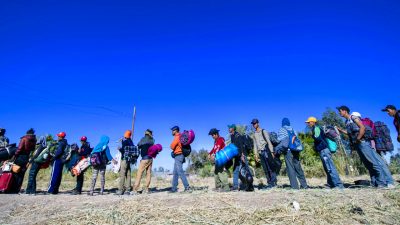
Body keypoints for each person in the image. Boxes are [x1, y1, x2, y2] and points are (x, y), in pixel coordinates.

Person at [336, 106, 394, 188]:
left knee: (373, 163)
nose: (339, 113)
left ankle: (382, 182)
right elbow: (350, 133)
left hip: (362, 143)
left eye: (340, 111)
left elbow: (362, 127)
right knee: (368, 164)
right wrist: (341, 130)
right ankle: (375, 183)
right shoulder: (347, 122)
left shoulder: (353, 117)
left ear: (345, 111)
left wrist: (358, 138)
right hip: (357, 144)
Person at [305, 117, 344, 189]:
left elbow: (318, 138)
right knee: (327, 168)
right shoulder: (316, 128)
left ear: (312, 122)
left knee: (330, 167)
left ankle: (338, 185)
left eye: (308, 122)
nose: (308, 124)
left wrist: (313, 136)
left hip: (324, 150)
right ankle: (331, 184)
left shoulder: (316, 128)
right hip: (323, 150)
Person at [277, 118, 308, 189]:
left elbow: (280, 140)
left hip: (288, 151)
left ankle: (295, 186)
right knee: (298, 167)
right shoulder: (293, 129)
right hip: (296, 150)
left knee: (290, 168)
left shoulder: (282, 129)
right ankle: (304, 185)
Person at [250, 119, 278, 189]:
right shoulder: (254, 134)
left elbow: (268, 141)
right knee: (265, 168)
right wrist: (255, 155)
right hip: (260, 152)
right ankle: (269, 183)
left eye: (255, 123)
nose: (254, 125)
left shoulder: (263, 131)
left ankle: (273, 182)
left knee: (270, 167)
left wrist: (272, 152)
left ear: (258, 123)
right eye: (253, 124)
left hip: (267, 150)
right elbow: (255, 145)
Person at [9, 128, 37, 193]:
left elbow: (19, 148)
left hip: (20, 156)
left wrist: (15, 155)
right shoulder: (34, 140)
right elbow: (33, 149)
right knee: (22, 173)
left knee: (15, 172)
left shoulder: (24, 139)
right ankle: (18, 189)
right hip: (26, 157)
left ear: (27, 133)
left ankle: (13, 189)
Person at [131, 129, 155, 195]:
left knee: (139, 173)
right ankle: (146, 189)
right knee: (148, 173)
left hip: (144, 158)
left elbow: (138, 145)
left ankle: (135, 190)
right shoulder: (152, 140)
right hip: (151, 158)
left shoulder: (143, 139)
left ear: (145, 133)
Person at [170, 126, 191, 193]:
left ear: (176, 130)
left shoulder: (177, 136)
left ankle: (187, 187)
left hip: (179, 156)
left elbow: (172, 146)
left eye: (173, 130)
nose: (172, 132)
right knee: (175, 172)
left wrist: (172, 146)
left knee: (180, 171)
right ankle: (174, 189)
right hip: (179, 156)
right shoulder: (180, 136)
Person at [228, 124, 249, 191]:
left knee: (246, 170)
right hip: (236, 156)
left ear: (233, 128)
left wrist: (242, 155)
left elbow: (241, 145)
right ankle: (235, 186)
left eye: (230, 128)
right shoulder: (232, 136)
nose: (228, 129)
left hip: (242, 155)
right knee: (235, 171)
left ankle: (249, 185)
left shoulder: (238, 135)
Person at [116, 130, 135, 195]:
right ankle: (128, 189)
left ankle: (121, 189)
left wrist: (119, 148)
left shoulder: (125, 141)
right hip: (129, 160)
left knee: (122, 174)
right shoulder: (131, 141)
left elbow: (123, 150)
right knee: (128, 174)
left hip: (124, 159)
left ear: (125, 135)